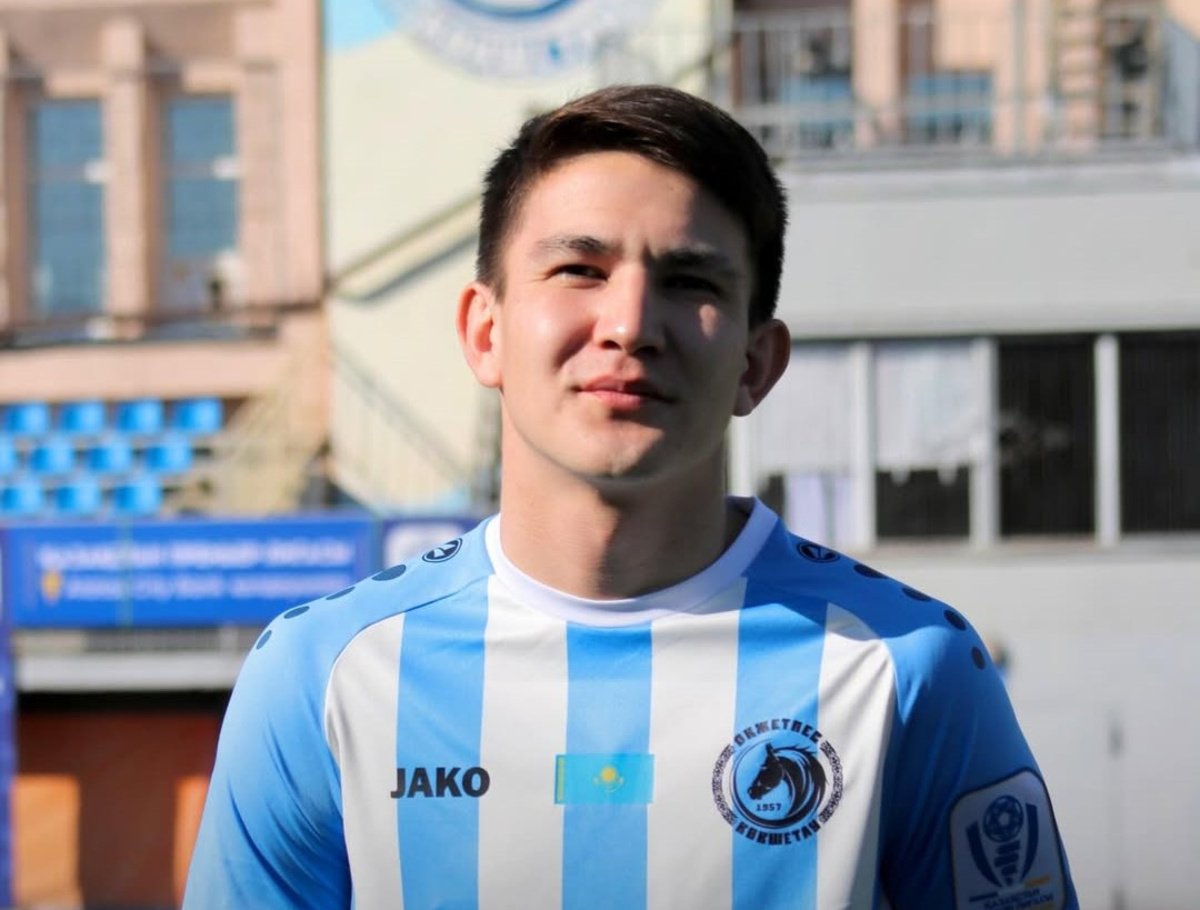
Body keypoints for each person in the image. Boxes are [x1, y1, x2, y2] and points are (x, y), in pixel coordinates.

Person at [185, 85, 1077, 909]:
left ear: (757, 363)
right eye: (581, 268)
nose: (630, 325)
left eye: (690, 282)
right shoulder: (321, 674)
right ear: (485, 332)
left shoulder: (908, 666)